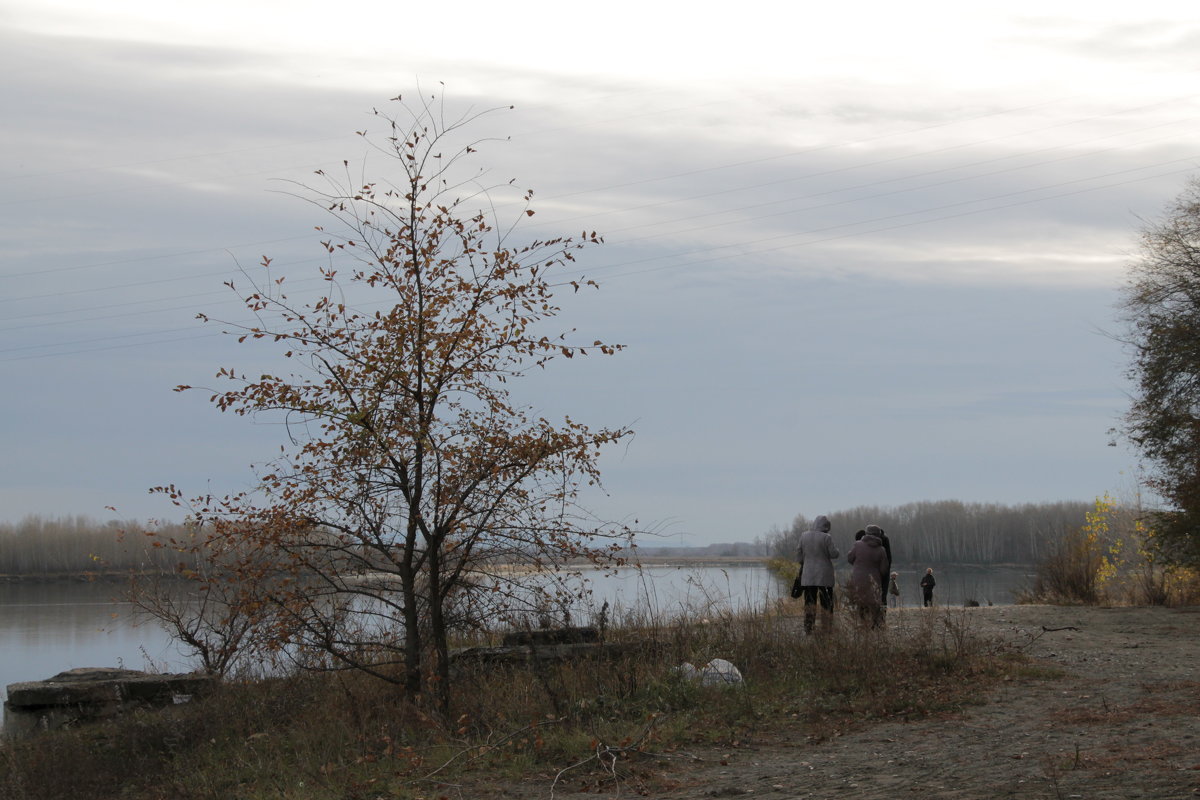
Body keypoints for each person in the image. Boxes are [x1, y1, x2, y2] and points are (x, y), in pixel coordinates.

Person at [795, 515, 840, 635]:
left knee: (809, 603)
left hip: (808, 575)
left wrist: (804, 561)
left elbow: (799, 553)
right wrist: (838, 551)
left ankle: (809, 628)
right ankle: (827, 627)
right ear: (825, 526)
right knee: (826, 603)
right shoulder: (827, 537)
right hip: (824, 575)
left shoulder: (804, 535)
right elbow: (834, 554)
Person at [846, 527, 890, 628]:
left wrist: (858, 564)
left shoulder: (857, 545)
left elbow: (850, 558)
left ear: (866, 533)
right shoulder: (882, 550)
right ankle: (875, 625)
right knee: (874, 602)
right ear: (878, 535)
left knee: (861, 601)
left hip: (858, 578)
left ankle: (863, 623)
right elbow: (884, 570)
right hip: (874, 580)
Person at [865, 524, 893, 610]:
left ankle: (877, 615)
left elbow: (888, 558)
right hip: (883, 571)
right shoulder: (884, 539)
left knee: (878, 594)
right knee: (882, 595)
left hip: (877, 571)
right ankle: (881, 617)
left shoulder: (882, 540)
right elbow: (889, 559)